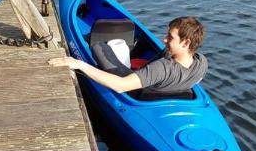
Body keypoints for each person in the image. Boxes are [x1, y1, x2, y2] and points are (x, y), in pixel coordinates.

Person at [48, 16, 207, 97]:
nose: (164, 39)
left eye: (170, 37)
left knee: (98, 46)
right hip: (161, 90)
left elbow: (120, 86)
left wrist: (79, 64)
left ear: (186, 43)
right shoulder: (202, 63)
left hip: (136, 91)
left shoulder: (161, 69)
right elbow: (195, 81)